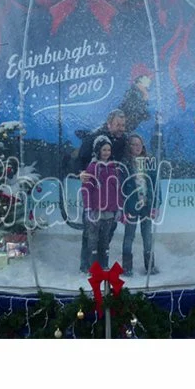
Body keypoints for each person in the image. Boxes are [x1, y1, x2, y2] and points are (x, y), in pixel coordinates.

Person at [76, 109, 127, 272]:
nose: (121, 128)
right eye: (118, 125)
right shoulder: (94, 138)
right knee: (90, 233)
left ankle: (101, 264)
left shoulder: (123, 140)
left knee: (107, 233)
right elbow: (79, 159)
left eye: (123, 125)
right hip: (95, 195)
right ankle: (86, 266)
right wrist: (81, 173)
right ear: (109, 124)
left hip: (110, 197)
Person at [121, 133, 161, 276]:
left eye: (139, 144)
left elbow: (156, 184)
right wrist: (123, 209)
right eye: (133, 144)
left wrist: (156, 204)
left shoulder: (149, 161)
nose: (137, 147)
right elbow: (122, 188)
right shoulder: (125, 163)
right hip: (132, 206)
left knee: (147, 237)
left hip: (147, 206)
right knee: (129, 236)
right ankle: (127, 268)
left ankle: (150, 266)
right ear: (129, 146)